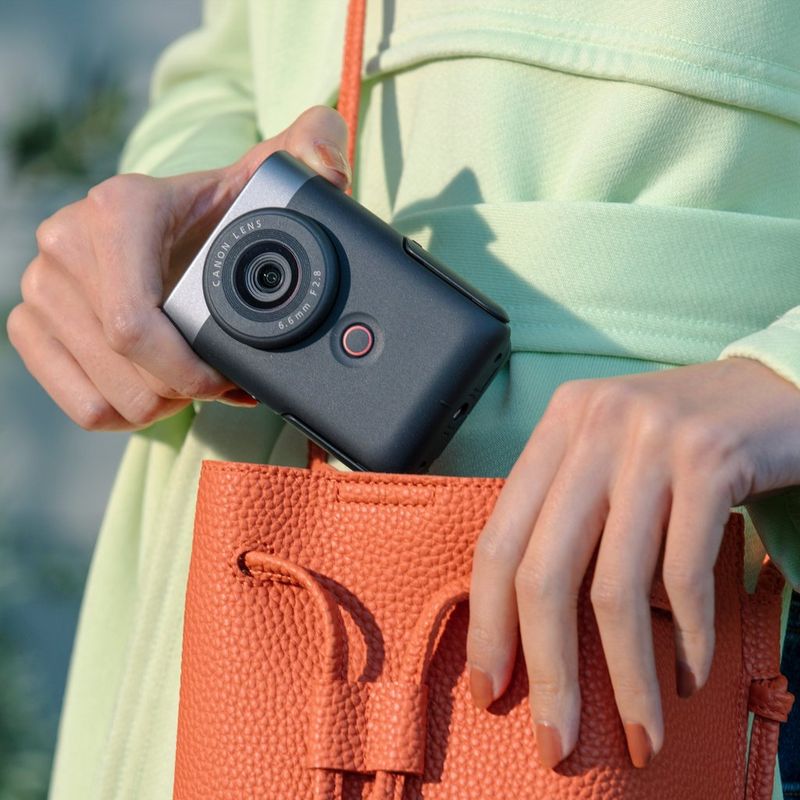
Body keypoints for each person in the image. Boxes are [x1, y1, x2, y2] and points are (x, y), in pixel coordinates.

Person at [7, 1, 800, 797]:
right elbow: (234, 59)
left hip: (692, 514)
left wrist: (781, 377)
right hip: (246, 479)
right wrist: (165, 228)